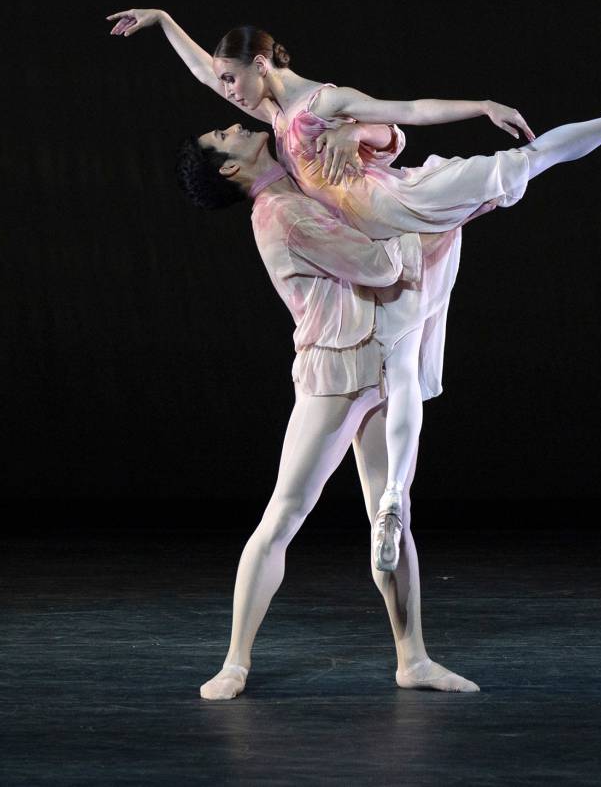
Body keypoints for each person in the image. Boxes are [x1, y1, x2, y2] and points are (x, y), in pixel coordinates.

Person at [108, 8, 601, 573]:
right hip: (387, 245)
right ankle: (392, 500)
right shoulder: (273, 120)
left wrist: (480, 105)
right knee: (402, 367)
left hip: (401, 207)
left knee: (522, 162)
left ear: (260, 66)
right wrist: (163, 21)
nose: (227, 94)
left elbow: (411, 109)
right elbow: (205, 73)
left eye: (232, 80)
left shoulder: (321, 102)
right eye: (224, 86)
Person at [176, 121, 477, 699]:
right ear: (230, 168)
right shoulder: (281, 213)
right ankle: (235, 662)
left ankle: (412, 658)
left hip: (380, 360)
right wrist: (446, 209)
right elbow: (381, 266)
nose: (236, 124)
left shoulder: (296, 176)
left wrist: (166, 23)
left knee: (391, 514)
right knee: (284, 515)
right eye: (222, 133)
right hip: (337, 370)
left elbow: (381, 139)